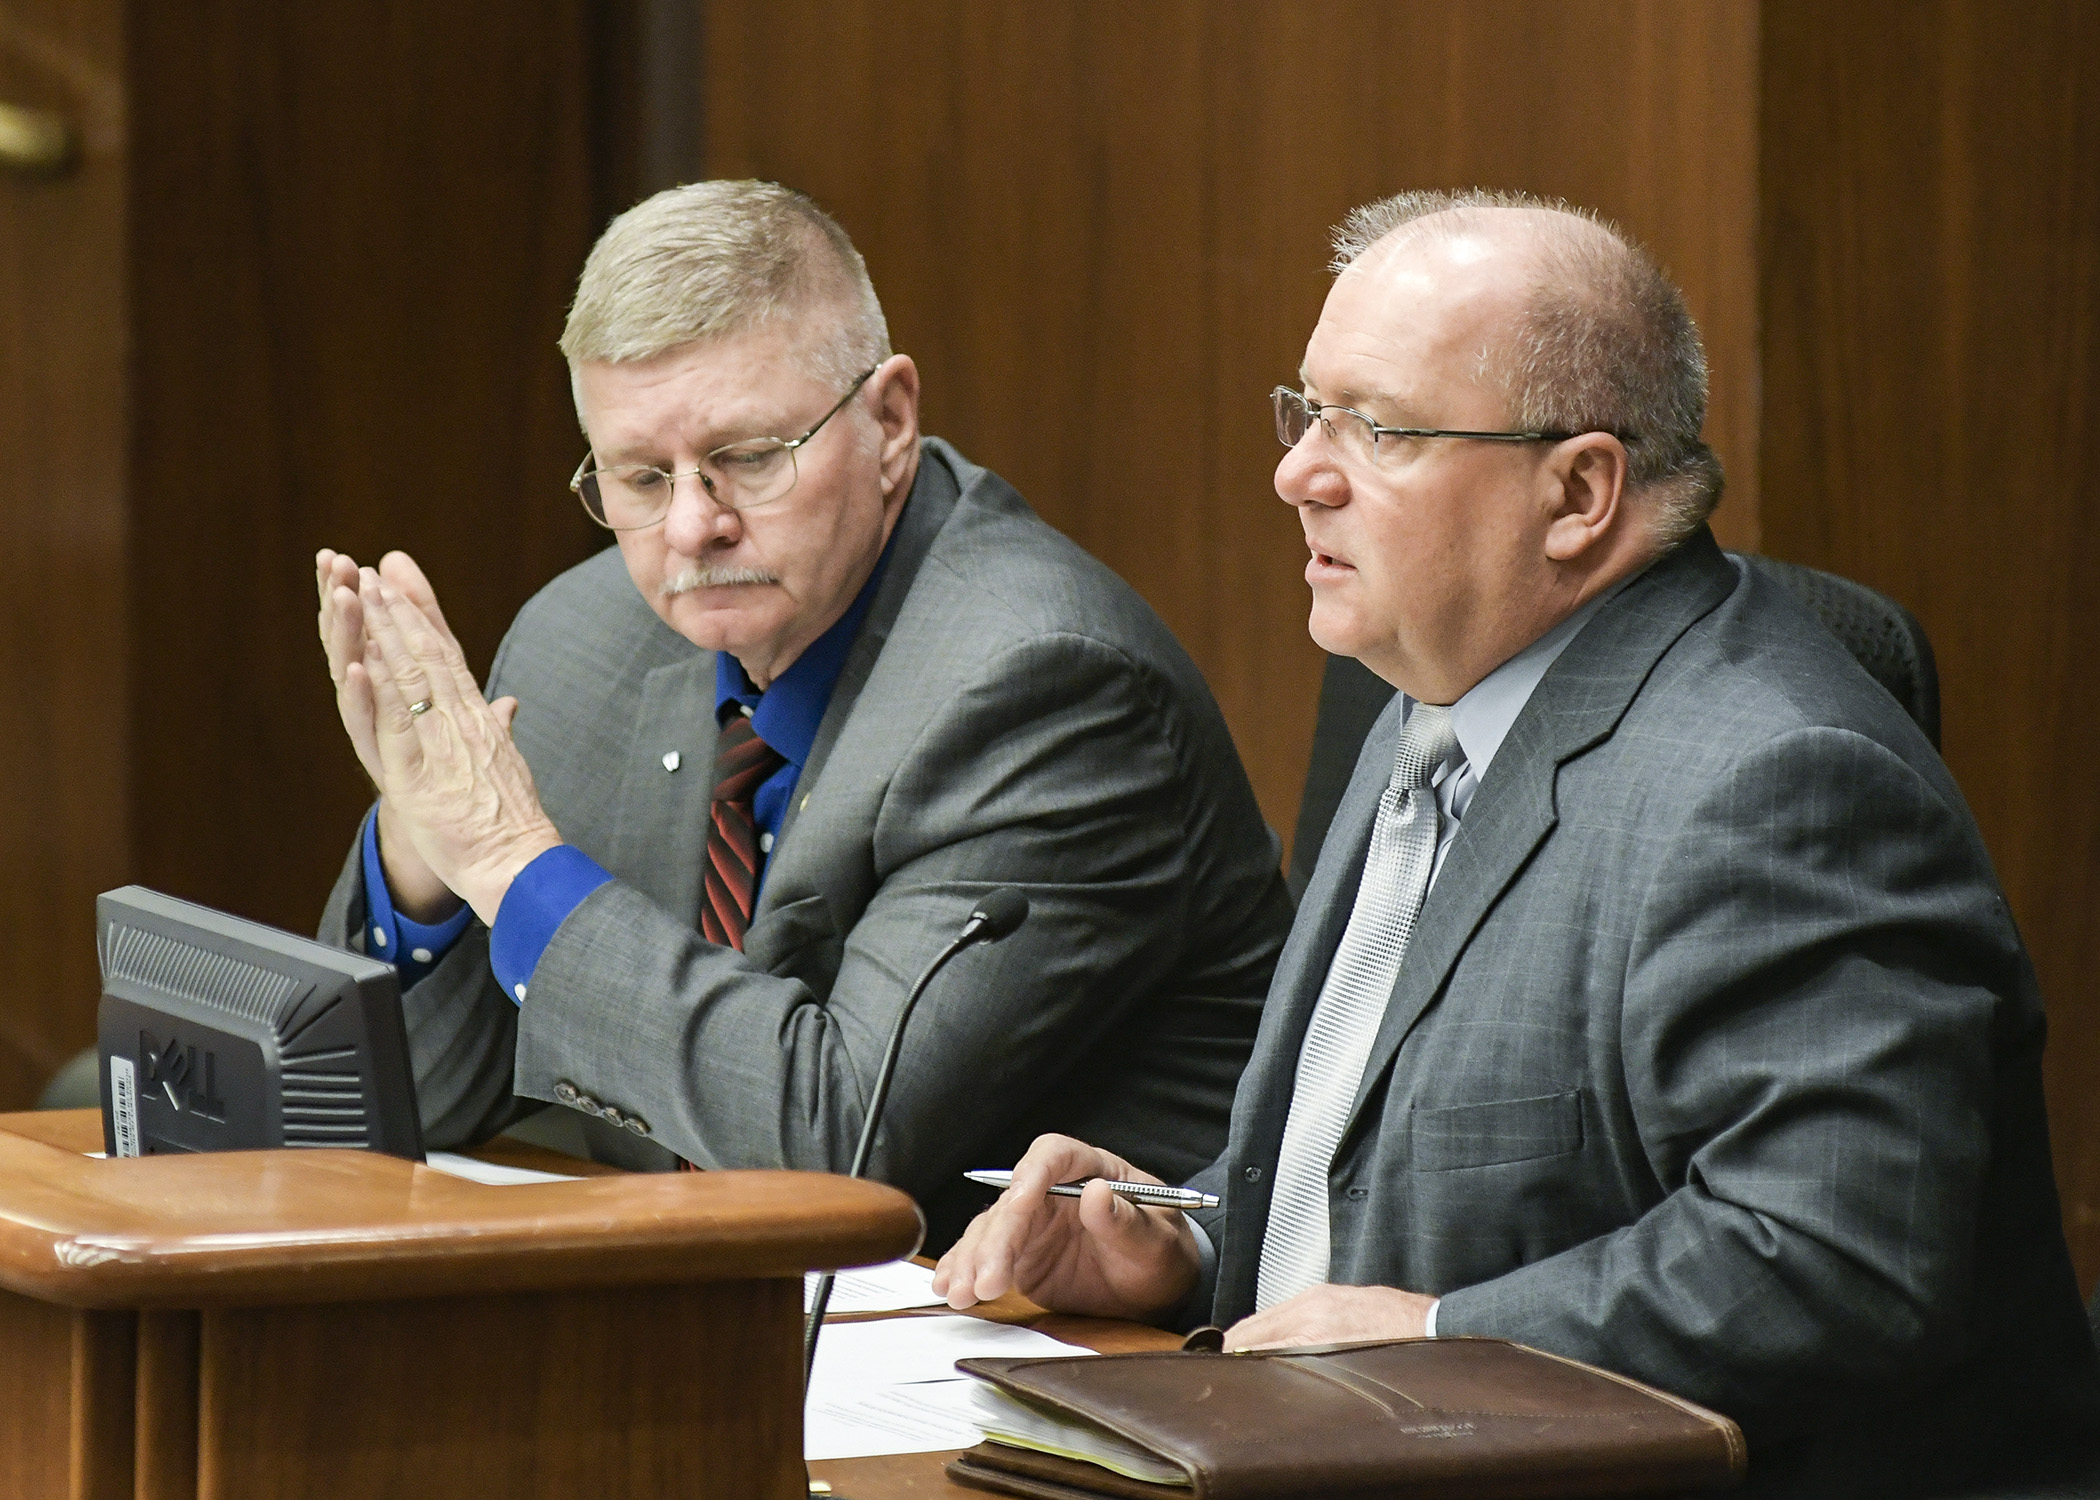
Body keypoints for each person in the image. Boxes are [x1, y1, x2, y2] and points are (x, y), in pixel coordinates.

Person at [932, 189, 2100, 1493]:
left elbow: (1833, 1256)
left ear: (1579, 492)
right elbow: (1421, 1157)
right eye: (1306, 410)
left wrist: (1439, 1340)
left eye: (1376, 428)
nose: (1298, 472)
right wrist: (1192, 1240)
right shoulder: (1429, 700)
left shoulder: (1779, 784)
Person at [312, 180, 1292, 1248]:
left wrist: (508, 861)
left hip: (1055, 1360)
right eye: (641, 477)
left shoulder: (1043, 686)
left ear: (889, 421)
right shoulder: (582, 641)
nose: (691, 528)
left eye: (746, 458)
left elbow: (837, 1147)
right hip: (718, 1321)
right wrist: (427, 854)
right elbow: (381, 1121)